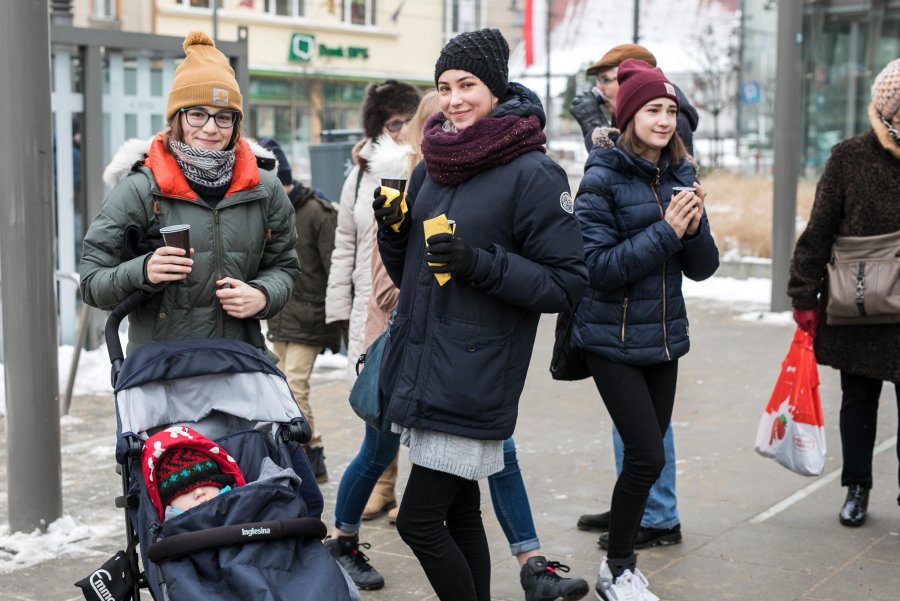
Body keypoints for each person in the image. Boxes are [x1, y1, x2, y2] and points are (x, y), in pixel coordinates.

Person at [330, 91, 591, 601]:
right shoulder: (433, 168)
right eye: (444, 85)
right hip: (427, 363)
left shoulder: (533, 172)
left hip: (475, 372)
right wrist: (394, 232)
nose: (453, 99)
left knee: (419, 522)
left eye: (466, 84)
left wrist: (479, 262)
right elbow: (414, 276)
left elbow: (565, 285)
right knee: (460, 513)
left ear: (493, 89)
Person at [572, 59, 718, 600]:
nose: (663, 119)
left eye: (671, 109)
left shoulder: (682, 173)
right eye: (653, 109)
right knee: (648, 457)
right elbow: (599, 269)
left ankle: (621, 563)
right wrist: (666, 231)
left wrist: (695, 227)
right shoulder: (600, 176)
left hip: (663, 338)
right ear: (629, 114)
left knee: (643, 455)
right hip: (610, 339)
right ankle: (620, 567)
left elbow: (703, 267)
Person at [80, 31, 299, 353]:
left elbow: (285, 267)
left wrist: (263, 294)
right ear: (177, 119)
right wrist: (144, 270)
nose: (210, 128)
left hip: (239, 362)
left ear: (236, 124)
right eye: (197, 114)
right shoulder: (140, 188)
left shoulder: (265, 189)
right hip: (162, 369)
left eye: (223, 117)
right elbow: (91, 283)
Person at [788, 58, 900, 528]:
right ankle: (857, 486)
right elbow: (819, 230)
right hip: (862, 303)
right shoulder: (850, 157)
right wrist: (802, 295)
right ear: (887, 108)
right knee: (858, 402)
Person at [323, 79, 420, 588]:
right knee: (378, 438)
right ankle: (345, 535)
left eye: (410, 121)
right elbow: (346, 243)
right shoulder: (363, 171)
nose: (402, 132)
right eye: (393, 123)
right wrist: (339, 312)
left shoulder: (424, 170)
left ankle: (407, 510)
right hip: (373, 321)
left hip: (409, 323)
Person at [261, 136, 341, 485]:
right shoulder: (264, 210)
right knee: (280, 387)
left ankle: (308, 458)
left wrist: (335, 318)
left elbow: (336, 266)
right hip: (279, 313)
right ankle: (314, 447)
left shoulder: (317, 213)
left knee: (295, 386)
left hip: (310, 316)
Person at [569, 43, 699, 155]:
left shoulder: (671, 119)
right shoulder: (628, 113)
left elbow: (623, 173)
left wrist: (593, 123)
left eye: (605, 80)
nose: (598, 89)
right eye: (598, 81)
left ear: (631, 80)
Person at [142, 426, 246, 522]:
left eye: (207, 483)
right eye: (184, 492)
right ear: (169, 503)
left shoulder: (240, 499)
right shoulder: (171, 534)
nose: (200, 492)